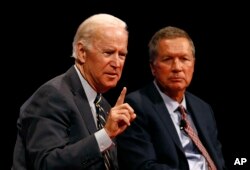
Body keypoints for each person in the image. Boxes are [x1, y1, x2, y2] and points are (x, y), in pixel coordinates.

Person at [12, 13, 136, 170]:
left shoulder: (104, 105)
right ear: (82, 52)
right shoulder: (52, 95)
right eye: (108, 52)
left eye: (122, 55)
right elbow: (46, 164)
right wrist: (105, 135)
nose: (117, 63)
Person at [117, 26, 226, 170]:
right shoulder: (136, 105)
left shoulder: (203, 109)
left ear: (193, 65)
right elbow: (143, 166)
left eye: (184, 59)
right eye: (167, 59)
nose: (177, 67)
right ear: (153, 67)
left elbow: (219, 162)